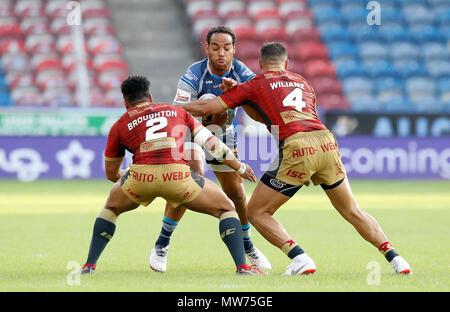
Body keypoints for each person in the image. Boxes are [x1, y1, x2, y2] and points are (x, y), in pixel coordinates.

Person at [180, 42, 412, 275]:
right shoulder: (304, 83)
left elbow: (207, 106)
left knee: (256, 212)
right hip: (326, 142)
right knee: (352, 211)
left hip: (297, 146)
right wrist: (244, 98)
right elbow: (271, 113)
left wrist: (175, 108)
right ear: (286, 63)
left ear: (260, 64)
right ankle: (397, 259)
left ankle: (299, 257)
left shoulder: (255, 83)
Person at [79, 75, 266, 276]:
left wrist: (127, 177)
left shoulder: (120, 124)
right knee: (227, 209)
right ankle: (243, 268)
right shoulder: (177, 111)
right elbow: (211, 143)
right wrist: (239, 167)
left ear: (125, 102)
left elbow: (110, 173)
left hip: (141, 177)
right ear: (150, 97)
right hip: (177, 176)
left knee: (110, 208)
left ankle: (89, 266)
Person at [150, 25, 271, 272]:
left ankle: (247, 244)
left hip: (224, 136)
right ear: (207, 48)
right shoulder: (195, 73)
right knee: (191, 180)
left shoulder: (243, 74)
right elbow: (178, 109)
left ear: (234, 49)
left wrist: (237, 95)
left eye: (227, 48)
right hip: (191, 133)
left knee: (236, 193)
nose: (221, 53)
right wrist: (212, 108)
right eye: (215, 48)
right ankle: (162, 244)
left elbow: (260, 111)